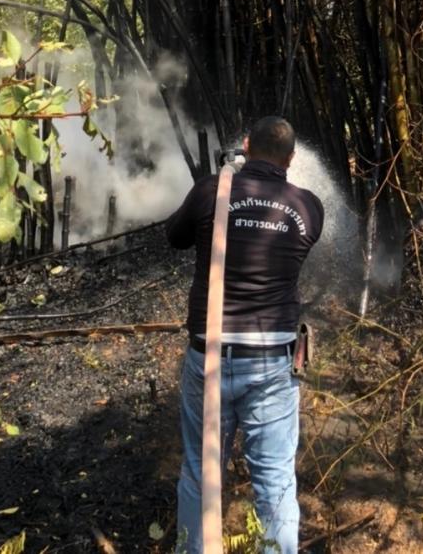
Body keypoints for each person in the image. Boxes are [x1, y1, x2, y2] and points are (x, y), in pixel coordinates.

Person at [166, 116, 324, 554]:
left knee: (200, 474)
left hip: (209, 357)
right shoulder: (308, 207)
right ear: (291, 159)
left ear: (247, 144)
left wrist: (227, 179)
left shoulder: (210, 192)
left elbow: (174, 237)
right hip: (273, 364)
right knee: (275, 482)